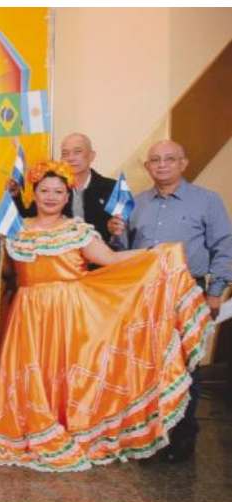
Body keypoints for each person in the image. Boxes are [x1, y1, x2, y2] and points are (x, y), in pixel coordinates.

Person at [0, 160, 213, 472]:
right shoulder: (16, 230)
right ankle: (33, 425)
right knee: (34, 375)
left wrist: (154, 254)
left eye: (58, 191)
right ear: (34, 192)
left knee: (69, 375)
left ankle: (73, 428)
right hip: (27, 314)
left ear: (67, 194)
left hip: (70, 314)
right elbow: (4, 273)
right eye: (44, 190)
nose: (51, 196)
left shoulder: (77, 230)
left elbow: (111, 259)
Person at [108, 139, 232, 462]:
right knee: (149, 365)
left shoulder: (207, 201)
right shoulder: (135, 203)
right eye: (154, 160)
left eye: (169, 159)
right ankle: (152, 437)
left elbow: (224, 247)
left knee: (186, 365)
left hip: (188, 291)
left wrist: (216, 292)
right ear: (147, 167)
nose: (161, 165)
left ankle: (182, 437)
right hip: (145, 292)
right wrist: (116, 233)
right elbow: (122, 255)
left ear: (183, 163)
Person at [9, 133, 116, 242]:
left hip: (100, 252)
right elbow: (28, 219)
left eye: (77, 152)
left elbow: (123, 229)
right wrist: (16, 197)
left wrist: (112, 229)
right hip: (61, 254)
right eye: (65, 154)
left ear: (91, 156)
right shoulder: (53, 188)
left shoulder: (111, 188)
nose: (70, 158)